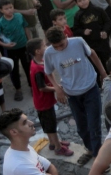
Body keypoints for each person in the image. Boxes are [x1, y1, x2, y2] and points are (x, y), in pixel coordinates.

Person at [44, 23, 107, 163]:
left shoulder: (78, 42)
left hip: (90, 88)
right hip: (71, 93)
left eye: (61, 44)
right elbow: (48, 72)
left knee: (94, 124)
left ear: (66, 37)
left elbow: (92, 54)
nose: (59, 48)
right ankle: (91, 149)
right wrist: (57, 88)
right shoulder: (49, 52)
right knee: (81, 126)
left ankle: (98, 156)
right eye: (56, 47)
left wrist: (103, 73)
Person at [0, 109, 63, 175]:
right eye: (24, 123)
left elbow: (50, 166)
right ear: (14, 132)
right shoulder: (19, 166)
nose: (31, 123)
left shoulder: (26, 148)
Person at [0, 0, 31, 102]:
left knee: (28, 67)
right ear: (1, 10)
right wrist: (5, 45)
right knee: (14, 70)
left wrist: (30, 41)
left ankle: (32, 87)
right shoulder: (0, 23)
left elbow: (26, 27)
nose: (9, 10)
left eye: (11, 7)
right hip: (11, 50)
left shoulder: (19, 16)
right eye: (6, 9)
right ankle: (18, 89)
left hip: (24, 47)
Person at [70, 0, 111, 69]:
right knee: (94, 66)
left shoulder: (99, 10)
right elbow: (75, 31)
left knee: (107, 64)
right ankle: (98, 80)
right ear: (76, 4)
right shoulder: (78, 15)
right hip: (90, 45)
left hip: (102, 42)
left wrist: (105, 31)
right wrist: (83, 31)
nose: (83, 2)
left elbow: (108, 22)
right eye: (79, 1)